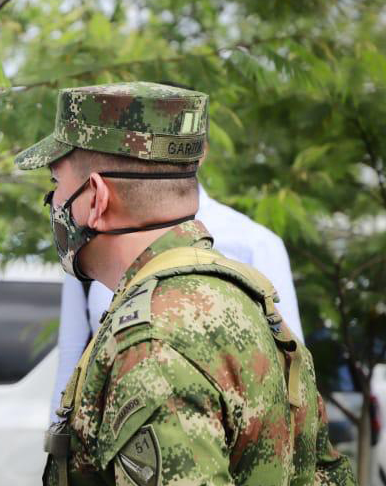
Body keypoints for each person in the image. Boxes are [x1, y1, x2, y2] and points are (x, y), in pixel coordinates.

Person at [15, 81, 367, 486]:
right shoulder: (252, 303)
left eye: (57, 185)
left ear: (95, 197)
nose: (55, 205)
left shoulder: (151, 343)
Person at [54, 181, 304, 424]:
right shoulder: (89, 248)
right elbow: (72, 353)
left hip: (226, 429)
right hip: (113, 428)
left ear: (202, 148)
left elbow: (291, 362)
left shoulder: (254, 242)